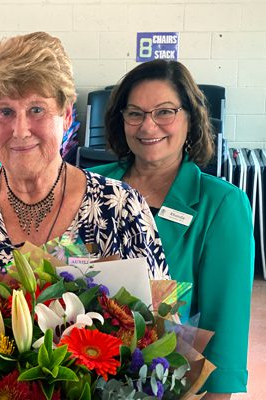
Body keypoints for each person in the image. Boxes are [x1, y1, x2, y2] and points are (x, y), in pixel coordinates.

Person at [0, 31, 169, 301]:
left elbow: (162, 322)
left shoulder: (121, 208)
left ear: (65, 115)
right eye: (5, 112)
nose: (20, 130)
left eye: (36, 110)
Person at [91, 59, 254, 398]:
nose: (148, 127)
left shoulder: (221, 204)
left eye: (164, 112)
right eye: (134, 113)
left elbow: (226, 323)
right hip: (84, 372)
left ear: (190, 119)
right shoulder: (92, 185)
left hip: (166, 385)